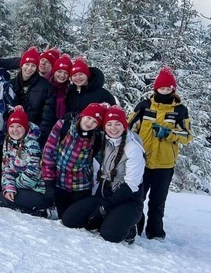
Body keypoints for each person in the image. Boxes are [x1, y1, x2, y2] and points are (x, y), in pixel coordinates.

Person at [62, 106, 144, 244]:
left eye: (118, 124)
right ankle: (111, 218)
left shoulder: (133, 148)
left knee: (110, 235)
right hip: (104, 195)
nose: (113, 128)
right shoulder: (105, 141)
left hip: (128, 200)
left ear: (124, 126)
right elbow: (88, 120)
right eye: (109, 124)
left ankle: (130, 228)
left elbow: (131, 185)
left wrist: (104, 208)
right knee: (69, 219)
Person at [129, 67, 193, 240]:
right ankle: (134, 227)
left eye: (168, 89)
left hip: (165, 164)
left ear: (173, 89)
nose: (164, 91)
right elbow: (129, 127)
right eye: (161, 88)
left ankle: (155, 232)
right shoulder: (144, 106)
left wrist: (168, 133)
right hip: (143, 161)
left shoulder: (180, 110)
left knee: (158, 201)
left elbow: (187, 136)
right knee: (137, 197)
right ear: (155, 88)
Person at [42, 102, 106, 217]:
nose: (90, 123)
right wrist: (49, 182)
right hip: (59, 183)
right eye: (88, 118)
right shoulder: (63, 126)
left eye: (95, 121)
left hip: (81, 186)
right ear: (82, 115)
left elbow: (103, 161)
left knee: (77, 219)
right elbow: (48, 153)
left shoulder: (97, 137)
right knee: (61, 216)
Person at [0, 106, 54, 217]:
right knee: (0, 197)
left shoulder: (32, 145)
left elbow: (33, 174)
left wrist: (14, 186)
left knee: (1, 198)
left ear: (25, 128)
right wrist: (9, 187)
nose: (14, 130)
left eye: (19, 126)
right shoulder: (9, 143)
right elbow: (7, 168)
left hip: (38, 191)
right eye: (11, 126)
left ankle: (43, 212)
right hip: (21, 187)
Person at [40, 56, 115, 142]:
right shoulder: (70, 92)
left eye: (81, 74)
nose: (78, 78)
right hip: (67, 138)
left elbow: (110, 119)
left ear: (87, 75)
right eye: (74, 75)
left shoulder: (103, 94)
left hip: (90, 140)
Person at [11, 47, 55, 139]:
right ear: (21, 65)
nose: (29, 68)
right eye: (27, 64)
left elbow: (47, 115)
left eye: (33, 65)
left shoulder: (45, 86)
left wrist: (40, 135)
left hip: (34, 134)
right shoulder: (11, 84)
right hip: (13, 133)